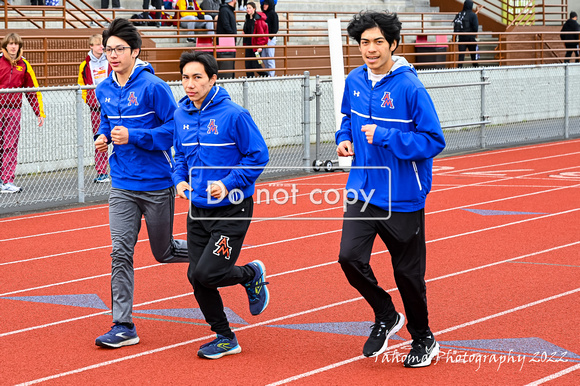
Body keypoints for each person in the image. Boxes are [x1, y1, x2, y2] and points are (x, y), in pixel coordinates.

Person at [335, 11, 446, 368]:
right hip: (362, 190)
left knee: (407, 275)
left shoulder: (409, 86)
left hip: (402, 195)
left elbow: (433, 140)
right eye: (364, 42)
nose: (370, 49)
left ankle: (423, 338)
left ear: (393, 44)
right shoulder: (354, 80)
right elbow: (347, 121)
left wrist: (386, 137)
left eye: (378, 41)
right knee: (349, 258)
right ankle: (385, 313)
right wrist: (343, 140)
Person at [93, 18, 189, 348]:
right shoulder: (103, 88)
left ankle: (217, 257)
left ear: (135, 51)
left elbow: (174, 131)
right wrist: (102, 136)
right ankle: (123, 325)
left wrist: (135, 136)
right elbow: (105, 122)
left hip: (156, 183)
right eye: (108, 50)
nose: (113, 55)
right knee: (120, 252)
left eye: (120, 49)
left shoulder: (154, 87)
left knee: (163, 252)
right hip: (121, 184)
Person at [173, 50, 270, 359]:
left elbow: (258, 156)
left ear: (213, 79)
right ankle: (225, 337)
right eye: (185, 77)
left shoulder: (235, 115)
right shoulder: (180, 115)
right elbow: (178, 156)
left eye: (197, 77)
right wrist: (179, 180)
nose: (190, 84)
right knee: (195, 275)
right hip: (197, 209)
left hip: (233, 209)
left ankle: (250, 274)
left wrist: (227, 183)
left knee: (208, 274)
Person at [0, 33, 45, 194]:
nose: (13, 47)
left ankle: (7, 180)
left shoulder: (24, 65)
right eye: (10, 44)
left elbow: (32, 90)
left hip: (14, 111)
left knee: (10, 145)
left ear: (19, 46)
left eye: (16, 44)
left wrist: (39, 112)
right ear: (5, 46)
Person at [78, 34, 112, 183]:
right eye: (98, 44)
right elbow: (82, 86)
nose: (101, 47)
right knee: (100, 140)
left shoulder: (111, 60)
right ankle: (101, 171)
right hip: (96, 109)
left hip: (113, 107)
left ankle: (122, 170)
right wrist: (90, 101)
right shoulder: (85, 65)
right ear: (91, 46)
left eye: (102, 44)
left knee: (120, 138)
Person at [243, 2, 268, 77]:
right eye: (247, 8)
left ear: (254, 9)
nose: (248, 9)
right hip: (249, 45)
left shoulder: (258, 20)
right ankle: (250, 80)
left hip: (256, 46)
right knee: (248, 64)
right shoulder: (247, 18)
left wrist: (260, 46)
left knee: (257, 64)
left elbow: (261, 34)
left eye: (249, 8)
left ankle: (266, 76)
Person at [454, 0, 479, 68]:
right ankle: (476, 69)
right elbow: (475, 28)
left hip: (461, 38)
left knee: (461, 57)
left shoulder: (459, 14)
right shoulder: (473, 15)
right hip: (471, 38)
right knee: (473, 56)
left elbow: (456, 26)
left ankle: (459, 70)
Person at [260, 0, 278, 76]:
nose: (265, 6)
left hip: (270, 38)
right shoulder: (263, 14)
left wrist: (270, 37)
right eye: (264, 4)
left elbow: (275, 27)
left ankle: (271, 74)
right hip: (263, 39)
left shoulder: (273, 14)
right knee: (263, 56)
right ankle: (268, 72)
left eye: (266, 4)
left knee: (270, 56)